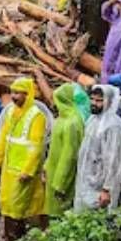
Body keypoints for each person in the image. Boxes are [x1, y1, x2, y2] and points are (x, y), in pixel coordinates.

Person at [0, 77, 48, 241]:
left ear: (27, 94)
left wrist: (28, 170)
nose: (13, 97)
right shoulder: (10, 112)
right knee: (7, 203)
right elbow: (3, 139)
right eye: (12, 92)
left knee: (19, 206)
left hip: (23, 172)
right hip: (8, 169)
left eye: (17, 93)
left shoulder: (36, 116)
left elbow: (36, 147)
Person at [74, 84, 121, 212]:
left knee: (98, 220)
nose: (94, 103)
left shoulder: (113, 126)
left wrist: (107, 188)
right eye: (92, 99)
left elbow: (113, 160)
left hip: (100, 184)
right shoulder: (93, 120)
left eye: (99, 101)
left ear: (109, 102)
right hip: (87, 179)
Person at [43, 83, 86, 220]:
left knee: (60, 216)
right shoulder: (62, 119)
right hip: (53, 173)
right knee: (52, 213)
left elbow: (70, 156)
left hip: (61, 180)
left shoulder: (73, 122)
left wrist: (60, 184)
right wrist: (46, 167)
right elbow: (54, 148)